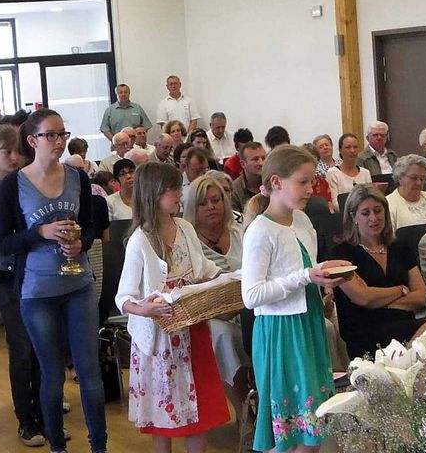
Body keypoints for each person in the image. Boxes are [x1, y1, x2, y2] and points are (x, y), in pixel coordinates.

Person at [0, 109, 107, 453]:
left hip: (79, 285)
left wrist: (80, 242)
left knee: (89, 371)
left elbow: (89, 228)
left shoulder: (78, 177)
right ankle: (57, 445)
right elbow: (2, 242)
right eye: (50, 135)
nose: (58, 142)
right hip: (36, 289)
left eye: (62, 134)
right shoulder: (14, 185)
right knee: (52, 373)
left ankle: (99, 445)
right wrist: (40, 231)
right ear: (32, 140)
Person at [241, 145, 350, 452]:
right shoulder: (260, 231)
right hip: (280, 333)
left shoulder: (302, 221)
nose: (311, 188)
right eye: (302, 182)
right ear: (276, 182)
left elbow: (304, 268)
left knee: (312, 427)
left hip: (308, 324)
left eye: (311, 181)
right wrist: (305, 277)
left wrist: (323, 275)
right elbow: (251, 295)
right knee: (289, 433)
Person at [116, 162, 229, 452]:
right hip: (160, 341)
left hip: (193, 330)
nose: (180, 194)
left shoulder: (186, 228)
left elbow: (204, 267)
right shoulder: (139, 240)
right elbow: (124, 296)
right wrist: (144, 309)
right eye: (173, 189)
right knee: (161, 419)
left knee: (199, 413)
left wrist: (230, 279)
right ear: (154, 193)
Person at [0, 124, 48, 447]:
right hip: (6, 275)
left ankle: (45, 412)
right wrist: (10, 243)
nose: (16, 158)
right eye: (7, 152)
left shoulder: (32, 184)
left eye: (19, 151)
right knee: (21, 347)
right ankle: (26, 420)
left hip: (38, 271)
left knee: (44, 346)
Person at [324, 185, 426, 359]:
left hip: (404, 323)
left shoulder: (400, 247)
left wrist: (380, 302)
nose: (374, 218)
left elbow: (421, 297)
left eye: (378, 211)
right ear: (353, 216)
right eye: (365, 213)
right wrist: (401, 290)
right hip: (364, 331)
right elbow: (363, 298)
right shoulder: (341, 253)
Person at [182, 174, 252, 426]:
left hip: (249, 304)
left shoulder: (241, 232)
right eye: (203, 203)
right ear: (193, 208)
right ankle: (244, 412)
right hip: (211, 311)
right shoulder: (188, 243)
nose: (211, 207)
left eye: (216, 200)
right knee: (223, 335)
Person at [386, 154, 426, 230]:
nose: (419, 183)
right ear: (400, 178)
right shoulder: (389, 204)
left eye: (422, 179)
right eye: (413, 178)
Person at [326, 133, 372, 211]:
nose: (352, 151)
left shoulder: (366, 173)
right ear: (340, 150)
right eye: (348, 147)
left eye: (355, 147)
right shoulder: (333, 173)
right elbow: (335, 203)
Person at [231, 141, 267, 212]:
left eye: (263, 158)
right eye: (256, 159)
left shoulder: (273, 182)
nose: (261, 163)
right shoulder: (234, 190)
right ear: (243, 164)